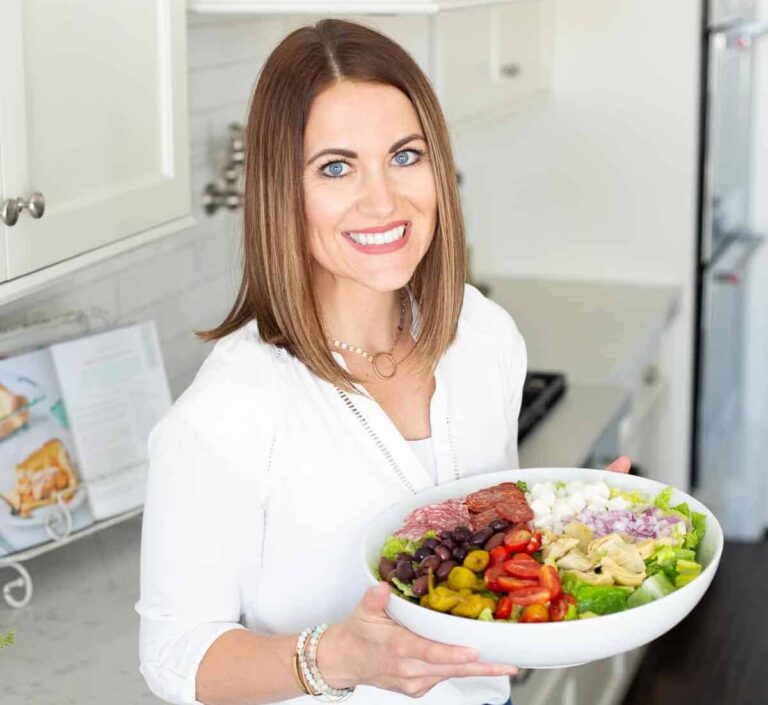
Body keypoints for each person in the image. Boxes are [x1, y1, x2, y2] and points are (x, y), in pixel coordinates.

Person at [135, 18, 631, 705]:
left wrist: (571, 533)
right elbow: (172, 656)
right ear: (284, 189)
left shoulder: (483, 334)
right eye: (335, 167)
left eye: (405, 156)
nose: (384, 200)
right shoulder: (230, 411)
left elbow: (487, 538)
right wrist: (332, 657)